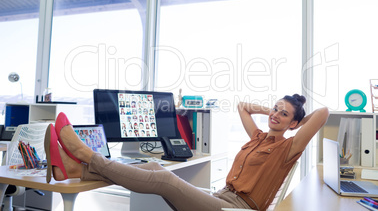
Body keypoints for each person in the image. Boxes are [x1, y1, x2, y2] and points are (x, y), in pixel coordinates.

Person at [44, 94, 328, 211]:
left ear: (294, 123)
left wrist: (296, 123)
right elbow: (242, 106)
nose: (276, 114)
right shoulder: (259, 137)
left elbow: (323, 112)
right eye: (276, 108)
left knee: (164, 180)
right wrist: (273, 110)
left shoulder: (288, 147)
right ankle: (73, 169)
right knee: (157, 170)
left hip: (235, 209)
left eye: (284, 113)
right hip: (219, 197)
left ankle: (83, 153)